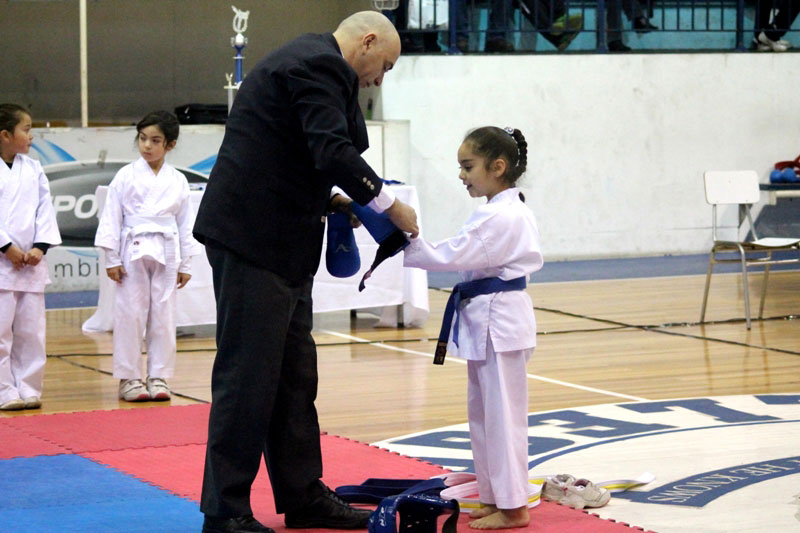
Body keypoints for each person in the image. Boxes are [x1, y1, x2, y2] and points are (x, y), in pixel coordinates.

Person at [193, 11, 419, 533]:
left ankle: (301, 493)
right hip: (253, 242)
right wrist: (388, 205)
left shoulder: (309, 63)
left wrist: (337, 199)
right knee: (247, 379)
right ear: (367, 42)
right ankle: (224, 512)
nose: (379, 80)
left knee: (295, 377)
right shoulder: (317, 65)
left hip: (282, 242)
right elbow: (332, 149)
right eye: (383, 66)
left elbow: (298, 153)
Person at [402, 126, 542, 530]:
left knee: (502, 418)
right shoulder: (501, 210)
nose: (461, 175)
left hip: (501, 320)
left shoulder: (502, 214)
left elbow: (450, 254)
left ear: (498, 167)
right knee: (484, 417)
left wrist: (404, 238)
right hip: (490, 318)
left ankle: (515, 508)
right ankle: (497, 496)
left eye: (468, 166)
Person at [94, 110, 201, 403]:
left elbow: (184, 224)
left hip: (167, 251)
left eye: (155, 140)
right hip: (132, 250)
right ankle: (129, 377)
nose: (147, 146)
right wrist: (112, 259)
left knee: (163, 318)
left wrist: (186, 263)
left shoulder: (177, 180)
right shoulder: (125, 176)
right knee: (130, 314)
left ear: (170, 145)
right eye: (142, 139)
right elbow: (111, 218)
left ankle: (159, 375)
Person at [0, 103, 61, 411]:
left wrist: (41, 246)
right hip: (2, 262)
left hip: (31, 263)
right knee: (0, 331)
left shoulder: (33, 168)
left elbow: (44, 209)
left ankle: (29, 387)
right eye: (26, 129)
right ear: (5, 135)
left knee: (31, 330)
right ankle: (4, 390)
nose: (31, 136)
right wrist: (6, 247)